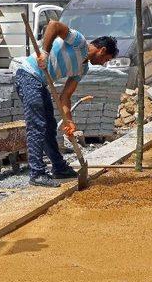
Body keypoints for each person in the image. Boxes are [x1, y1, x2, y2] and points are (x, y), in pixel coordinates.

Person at [15, 21, 118, 187]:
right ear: (102, 50)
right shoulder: (79, 42)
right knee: (37, 125)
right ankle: (37, 173)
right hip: (27, 75)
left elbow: (65, 96)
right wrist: (45, 53)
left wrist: (69, 121)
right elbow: (54, 25)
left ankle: (59, 168)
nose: (104, 63)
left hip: (40, 83)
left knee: (49, 125)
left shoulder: (82, 70)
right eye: (105, 59)